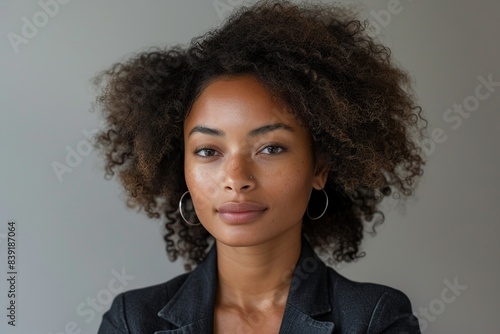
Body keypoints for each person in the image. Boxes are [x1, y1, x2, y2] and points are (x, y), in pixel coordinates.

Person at [92, 0, 427, 332]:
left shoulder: (374, 321)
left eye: (270, 148)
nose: (236, 179)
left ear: (319, 167)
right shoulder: (132, 322)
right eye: (208, 151)